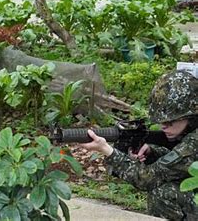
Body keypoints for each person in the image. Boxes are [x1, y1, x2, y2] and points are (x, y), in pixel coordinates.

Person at [80, 70, 198, 220]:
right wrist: (152, 152)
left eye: (169, 122)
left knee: (163, 193)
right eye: (161, 122)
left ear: (190, 116)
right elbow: (187, 165)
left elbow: (146, 179)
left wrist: (107, 150)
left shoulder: (193, 143)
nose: (163, 127)